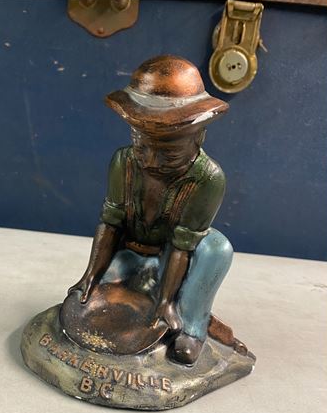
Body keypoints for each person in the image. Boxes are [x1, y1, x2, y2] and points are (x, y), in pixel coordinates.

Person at [68, 55, 244, 365]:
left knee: (217, 248)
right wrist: (90, 276)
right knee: (92, 297)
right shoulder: (124, 162)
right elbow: (111, 223)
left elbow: (182, 245)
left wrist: (165, 301)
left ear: (199, 137)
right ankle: (140, 287)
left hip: (176, 258)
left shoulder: (208, 178)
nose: (150, 162)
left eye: (169, 154)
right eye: (141, 146)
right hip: (133, 255)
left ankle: (191, 328)